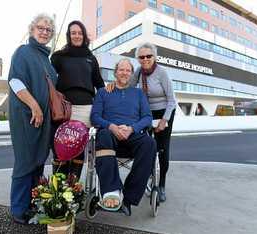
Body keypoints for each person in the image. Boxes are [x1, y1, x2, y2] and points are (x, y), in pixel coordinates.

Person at [106, 42, 176, 202]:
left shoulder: (162, 73)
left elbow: (172, 100)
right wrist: (111, 86)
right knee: (146, 145)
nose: (145, 59)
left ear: (154, 57)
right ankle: (147, 175)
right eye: (141, 57)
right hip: (145, 112)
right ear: (138, 59)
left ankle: (161, 185)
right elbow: (125, 86)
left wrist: (164, 120)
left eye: (148, 56)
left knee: (162, 148)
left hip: (163, 112)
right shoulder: (138, 72)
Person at [91, 59, 156, 216]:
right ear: (115, 72)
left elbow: (147, 117)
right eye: (121, 70)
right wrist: (112, 126)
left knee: (150, 143)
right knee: (103, 134)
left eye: (128, 70)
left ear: (131, 73)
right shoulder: (103, 92)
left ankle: (128, 198)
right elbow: (95, 117)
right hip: (110, 136)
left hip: (132, 135)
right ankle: (111, 191)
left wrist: (132, 128)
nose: (124, 73)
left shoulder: (139, 94)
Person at [8, 13, 57, 224]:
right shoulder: (23, 52)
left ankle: (31, 204)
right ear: (32, 29)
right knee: (25, 161)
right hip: (27, 116)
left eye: (48, 30)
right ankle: (18, 209)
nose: (44, 32)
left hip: (44, 120)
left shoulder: (46, 58)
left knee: (38, 162)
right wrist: (35, 106)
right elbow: (15, 81)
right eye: (41, 28)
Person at [50, 20, 105, 178]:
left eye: (80, 33)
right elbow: (48, 80)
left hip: (85, 109)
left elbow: (99, 84)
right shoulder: (58, 56)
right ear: (68, 35)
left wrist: (107, 103)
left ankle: (72, 192)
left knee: (78, 151)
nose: (77, 35)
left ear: (84, 35)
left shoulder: (90, 58)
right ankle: (59, 193)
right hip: (64, 110)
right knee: (60, 150)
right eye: (73, 33)